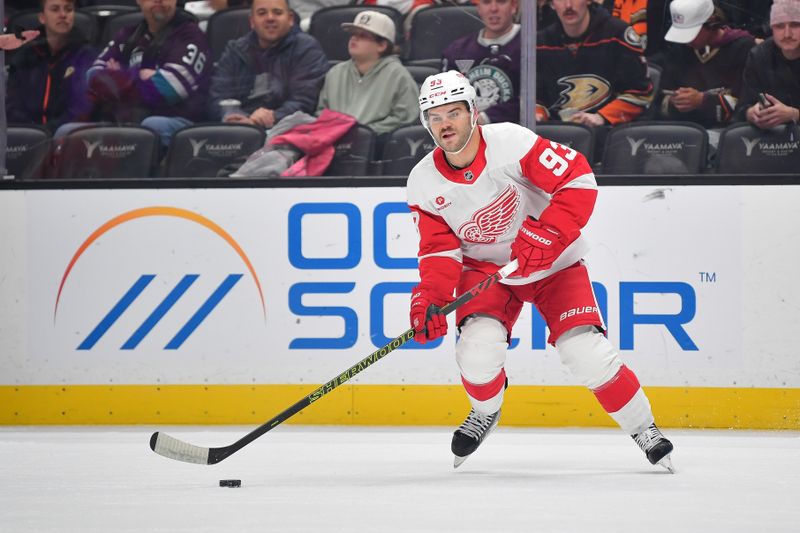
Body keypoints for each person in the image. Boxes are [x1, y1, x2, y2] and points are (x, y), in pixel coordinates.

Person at [406, 70, 674, 470]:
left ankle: (643, 428)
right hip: (486, 272)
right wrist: (430, 298)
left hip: (554, 263)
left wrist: (548, 233)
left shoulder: (511, 143)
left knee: (585, 352)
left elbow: (578, 178)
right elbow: (439, 249)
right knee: (476, 351)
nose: (445, 123)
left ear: (473, 112)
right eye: (435, 116)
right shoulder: (422, 182)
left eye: (454, 112)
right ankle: (486, 411)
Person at [83, 0, 211, 147]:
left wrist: (119, 76)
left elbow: (169, 88)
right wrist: (140, 75)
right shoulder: (127, 35)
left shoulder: (191, 36)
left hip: (177, 121)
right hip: (125, 121)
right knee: (67, 131)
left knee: (151, 126)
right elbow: (92, 76)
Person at [208, 0, 329, 128]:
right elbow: (217, 97)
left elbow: (305, 101)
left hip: (287, 130)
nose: (270, 18)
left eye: (277, 12)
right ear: (252, 22)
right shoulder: (235, 50)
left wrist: (272, 116)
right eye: (262, 13)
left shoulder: (307, 49)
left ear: (290, 19)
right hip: (238, 129)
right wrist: (233, 115)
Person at [536, 0, 653, 126]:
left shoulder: (618, 35)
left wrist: (602, 117)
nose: (568, 5)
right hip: (557, 134)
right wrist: (538, 113)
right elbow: (535, 96)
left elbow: (641, 94)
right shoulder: (540, 42)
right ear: (552, 4)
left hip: (609, 133)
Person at [316, 10, 418, 136]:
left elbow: (405, 119)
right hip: (333, 144)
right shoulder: (335, 73)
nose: (354, 38)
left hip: (376, 148)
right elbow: (321, 113)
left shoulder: (398, 75)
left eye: (363, 35)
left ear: (382, 45)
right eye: (353, 34)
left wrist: (365, 134)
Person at [658, 0, 755, 130]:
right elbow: (660, 100)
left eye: (692, 32)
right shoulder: (678, 50)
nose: (687, 41)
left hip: (728, 132)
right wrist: (674, 101)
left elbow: (747, 106)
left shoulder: (743, 48)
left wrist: (702, 101)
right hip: (683, 131)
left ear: (712, 22)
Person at [6, 0, 96, 132]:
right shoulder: (25, 57)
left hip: (68, 138)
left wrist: (47, 132)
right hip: (28, 139)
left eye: (68, 9)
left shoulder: (86, 55)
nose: (63, 14)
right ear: (42, 18)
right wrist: (33, 132)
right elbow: (12, 107)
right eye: (55, 9)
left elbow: (81, 108)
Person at [441, 0, 520, 125]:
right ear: (479, 8)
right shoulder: (457, 51)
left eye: (501, 1)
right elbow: (444, 100)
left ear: (514, 6)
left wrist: (486, 117)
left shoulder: (534, 45)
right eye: (486, 2)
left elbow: (535, 100)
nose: (493, 8)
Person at [740, 0, 800, 129]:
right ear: (771, 28)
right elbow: (743, 107)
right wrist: (752, 113)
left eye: (795, 25)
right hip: (771, 139)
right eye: (779, 26)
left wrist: (794, 114)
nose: (787, 34)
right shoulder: (759, 55)